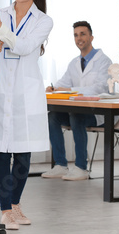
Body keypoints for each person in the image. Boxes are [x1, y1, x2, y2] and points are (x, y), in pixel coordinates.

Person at [0, 0, 53, 230]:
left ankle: (15, 204)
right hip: (0, 91)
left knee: (23, 156)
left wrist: (0, 27)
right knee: (1, 152)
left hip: (26, 93)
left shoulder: (43, 21)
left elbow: (24, 47)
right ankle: (5, 210)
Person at [41, 21, 112, 181]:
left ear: (91, 37)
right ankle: (60, 165)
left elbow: (99, 88)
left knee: (76, 115)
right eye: (75, 35)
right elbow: (63, 83)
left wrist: (71, 91)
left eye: (83, 34)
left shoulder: (104, 61)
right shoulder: (74, 63)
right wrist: (53, 88)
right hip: (80, 111)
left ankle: (81, 168)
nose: (79, 38)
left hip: (99, 113)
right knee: (53, 116)